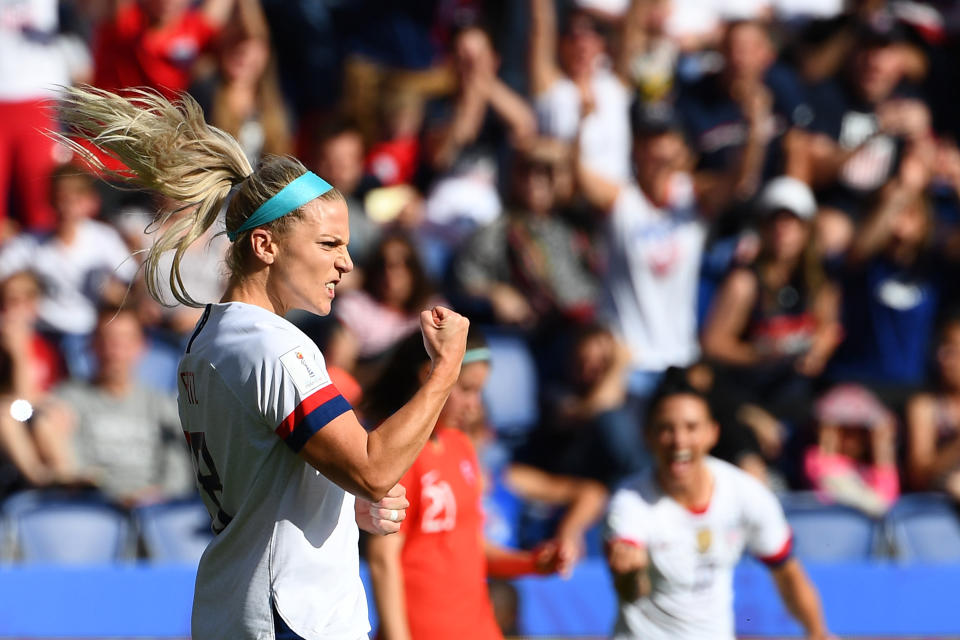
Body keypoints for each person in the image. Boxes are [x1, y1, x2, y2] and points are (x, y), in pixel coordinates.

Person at [56, 85, 470, 640]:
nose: (347, 262)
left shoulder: (210, 338)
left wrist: (345, 511)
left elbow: (270, 483)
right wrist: (445, 370)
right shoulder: (274, 346)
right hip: (291, 616)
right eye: (328, 244)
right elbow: (373, 468)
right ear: (266, 245)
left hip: (241, 605)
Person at [364, 330, 568, 640]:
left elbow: (471, 548)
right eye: (467, 390)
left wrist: (530, 563)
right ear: (430, 376)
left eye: (479, 392)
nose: (475, 406)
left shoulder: (461, 446)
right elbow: (383, 559)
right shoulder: (395, 451)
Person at [605, 370, 831, 640]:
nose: (679, 441)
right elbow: (631, 592)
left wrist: (818, 633)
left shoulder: (745, 493)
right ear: (647, 436)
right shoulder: (630, 502)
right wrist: (629, 573)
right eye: (666, 429)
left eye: (691, 427)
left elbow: (788, 573)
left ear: (712, 433)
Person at [29, 306, 194, 506]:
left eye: (123, 340)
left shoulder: (160, 404)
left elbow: (177, 464)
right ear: (92, 345)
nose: (114, 350)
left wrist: (159, 494)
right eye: (106, 340)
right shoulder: (70, 399)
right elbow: (74, 468)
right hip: (93, 508)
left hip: (155, 509)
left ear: (140, 346)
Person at [906, 315, 960, 502]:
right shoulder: (925, 406)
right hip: (935, 506)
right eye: (942, 348)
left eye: (953, 350)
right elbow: (919, 477)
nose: (942, 357)